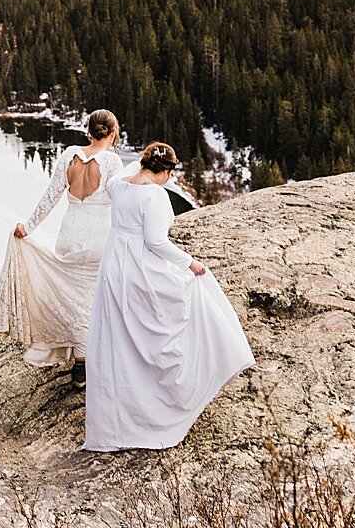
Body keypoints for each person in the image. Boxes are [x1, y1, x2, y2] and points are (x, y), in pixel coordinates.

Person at [83, 142, 254, 452]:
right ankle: (167, 402)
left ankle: (117, 417)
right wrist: (191, 263)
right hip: (139, 268)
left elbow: (126, 171)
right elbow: (156, 242)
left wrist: (143, 160)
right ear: (166, 171)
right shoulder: (155, 196)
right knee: (189, 298)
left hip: (114, 266)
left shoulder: (117, 186)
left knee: (119, 338)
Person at [0, 109, 124, 376]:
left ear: (89, 131)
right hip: (98, 237)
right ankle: (86, 359)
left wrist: (27, 227)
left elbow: (50, 197)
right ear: (111, 134)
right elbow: (122, 203)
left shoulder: (68, 155)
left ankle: (79, 356)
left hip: (69, 236)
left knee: (72, 296)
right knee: (92, 298)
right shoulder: (112, 163)